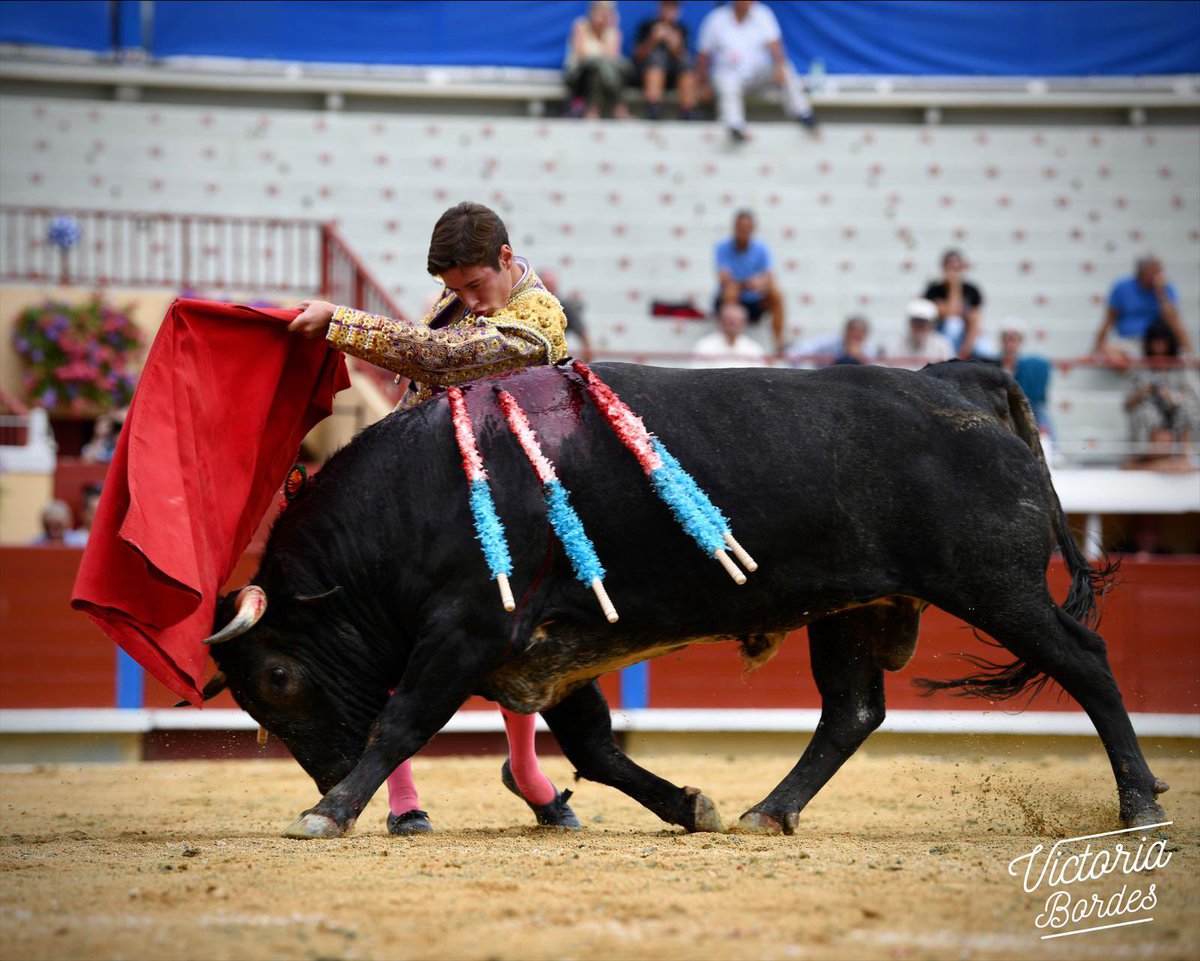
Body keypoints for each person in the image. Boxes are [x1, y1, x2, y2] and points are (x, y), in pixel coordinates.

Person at [288, 201, 578, 835]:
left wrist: (341, 321)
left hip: (507, 501)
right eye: (456, 290)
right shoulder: (454, 305)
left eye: (476, 285)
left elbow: (441, 360)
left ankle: (528, 772)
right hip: (437, 491)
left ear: (507, 258)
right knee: (398, 630)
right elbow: (422, 384)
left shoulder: (540, 318)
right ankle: (403, 798)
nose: (470, 301)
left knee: (513, 635)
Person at [696, 0, 817, 143]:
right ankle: (734, 125)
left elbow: (775, 44)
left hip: (756, 74)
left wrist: (779, 65)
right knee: (726, 81)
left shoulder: (763, 13)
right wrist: (702, 84)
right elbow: (704, 55)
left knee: (786, 68)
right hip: (727, 75)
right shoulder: (716, 19)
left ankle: (802, 112)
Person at [1122, 322, 1199, 472]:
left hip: (1176, 412)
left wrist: (1173, 397)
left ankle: (1186, 454)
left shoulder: (1180, 363)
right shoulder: (1141, 366)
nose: (1158, 347)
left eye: (1162, 342)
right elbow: (1127, 404)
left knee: (1188, 407)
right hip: (1152, 413)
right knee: (1145, 411)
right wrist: (1143, 392)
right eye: (1154, 342)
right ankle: (1147, 455)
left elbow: (1193, 395)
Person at [1096, 255, 1192, 368]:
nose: (1159, 275)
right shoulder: (1121, 287)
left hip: (1158, 342)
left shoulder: (1167, 288)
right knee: (1110, 353)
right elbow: (1108, 320)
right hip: (1130, 342)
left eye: (1160, 271)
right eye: (1155, 271)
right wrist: (1097, 347)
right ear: (1142, 271)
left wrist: (1161, 293)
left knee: (1175, 342)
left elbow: (1174, 321)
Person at [714, 209, 786, 353]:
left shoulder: (762, 249)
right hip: (734, 297)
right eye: (740, 227)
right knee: (730, 291)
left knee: (777, 295)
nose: (743, 231)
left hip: (754, 300)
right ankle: (730, 342)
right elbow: (724, 279)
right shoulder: (722, 247)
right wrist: (749, 283)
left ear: (752, 229)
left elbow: (770, 279)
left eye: (746, 227)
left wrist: (759, 283)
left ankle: (779, 344)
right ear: (735, 228)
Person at [632, 0, 698, 120]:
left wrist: (674, 45)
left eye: (673, 7)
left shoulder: (681, 29)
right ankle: (653, 107)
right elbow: (637, 56)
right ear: (660, 7)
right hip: (646, 75)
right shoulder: (647, 25)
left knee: (686, 62)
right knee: (657, 58)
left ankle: (687, 110)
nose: (669, 10)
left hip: (673, 76)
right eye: (667, 5)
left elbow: (684, 57)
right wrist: (652, 40)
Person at [565, 0, 629, 120]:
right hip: (579, 75)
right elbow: (582, 54)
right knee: (597, 69)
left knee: (616, 68)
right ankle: (611, 108)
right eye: (601, 10)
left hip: (603, 76)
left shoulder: (613, 31)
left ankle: (597, 110)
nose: (604, 15)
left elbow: (612, 57)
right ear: (592, 11)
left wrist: (609, 29)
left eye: (607, 12)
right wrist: (601, 57)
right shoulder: (581, 26)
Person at [923, 249, 993, 360]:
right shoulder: (934, 290)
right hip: (941, 334)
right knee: (954, 324)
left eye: (957, 268)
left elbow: (975, 321)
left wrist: (967, 347)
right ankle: (950, 360)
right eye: (950, 267)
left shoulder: (972, 290)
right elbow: (951, 313)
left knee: (985, 347)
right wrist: (954, 287)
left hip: (966, 334)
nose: (954, 272)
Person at [998, 320, 1054, 439]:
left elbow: (1036, 404)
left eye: (1015, 338)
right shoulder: (992, 365)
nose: (1011, 342)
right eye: (1008, 338)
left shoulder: (1032, 367)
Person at [882, 299, 956, 370]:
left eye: (923, 322)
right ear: (909, 322)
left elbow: (949, 373)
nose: (919, 326)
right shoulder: (892, 344)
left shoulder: (942, 345)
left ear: (932, 324)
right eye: (915, 321)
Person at [692, 301, 767, 368]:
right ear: (720, 320)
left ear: (744, 322)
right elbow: (697, 374)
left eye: (737, 320)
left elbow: (761, 376)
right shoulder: (704, 345)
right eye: (729, 319)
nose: (733, 323)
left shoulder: (754, 348)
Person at [540, 269, 594, 362]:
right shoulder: (529, 304)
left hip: (554, 357)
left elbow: (582, 333)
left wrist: (587, 361)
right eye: (546, 285)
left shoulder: (564, 306)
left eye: (550, 286)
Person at [786, 315, 875, 368]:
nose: (855, 340)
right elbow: (800, 350)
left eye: (859, 337)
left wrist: (859, 358)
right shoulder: (829, 341)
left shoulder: (868, 350)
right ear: (846, 332)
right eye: (853, 335)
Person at [64, 482, 103, 547]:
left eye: (102, 514)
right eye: (94, 513)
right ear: (83, 513)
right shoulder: (72, 541)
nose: (100, 519)